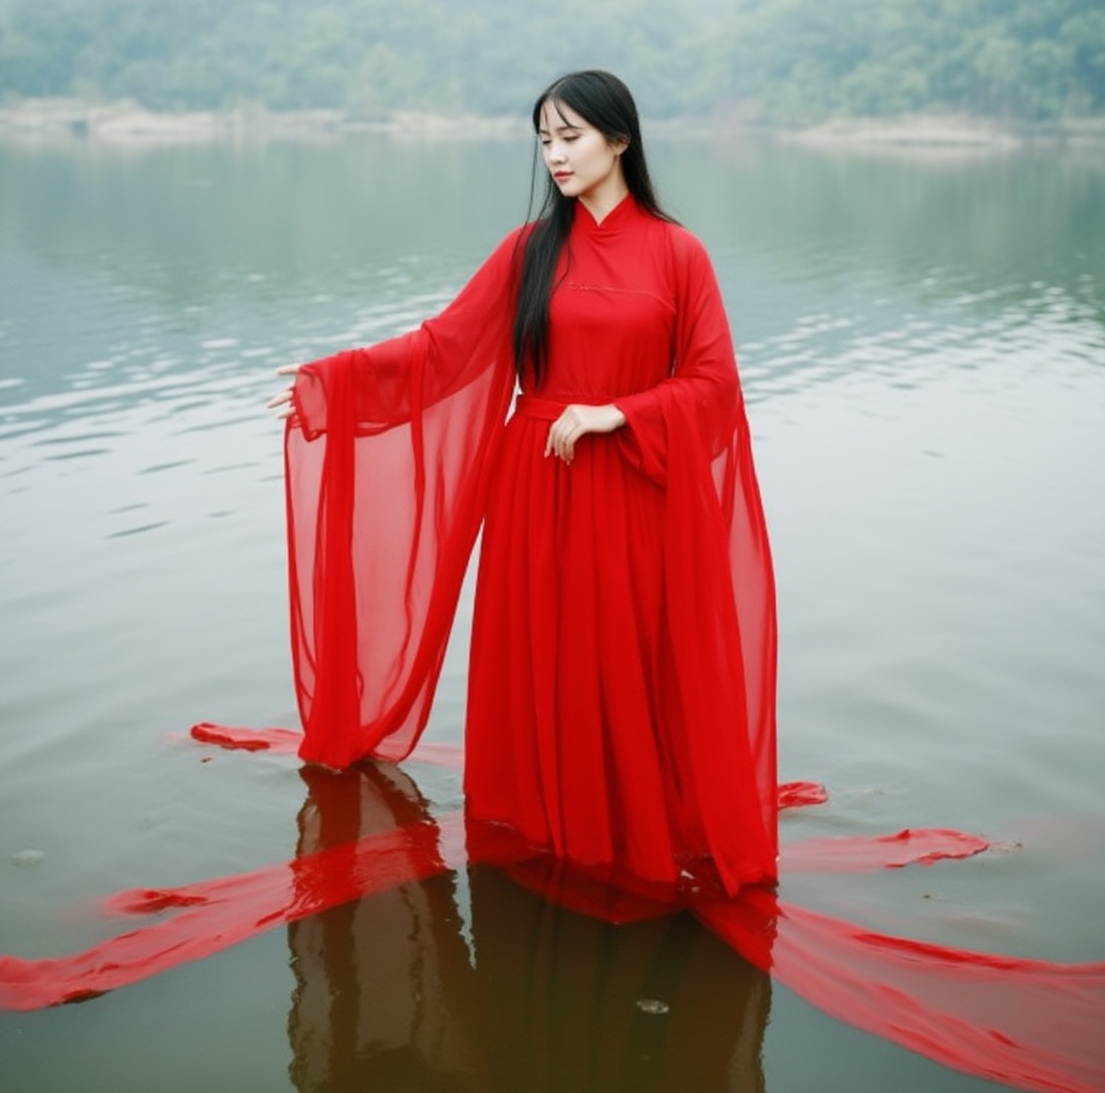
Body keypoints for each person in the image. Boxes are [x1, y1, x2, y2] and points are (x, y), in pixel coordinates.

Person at [269, 70, 778, 899]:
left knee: (627, 656)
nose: (555, 154)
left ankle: (631, 824)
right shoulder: (529, 250)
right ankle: (543, 826)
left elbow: (715, 386)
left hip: (631, 488)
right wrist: (335, 382)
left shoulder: (679, 253)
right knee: (546, 656)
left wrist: (617, 413)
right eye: (545, 139)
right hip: (536, 486)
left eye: (571, 135)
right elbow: (443, 348)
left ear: (620, 140)